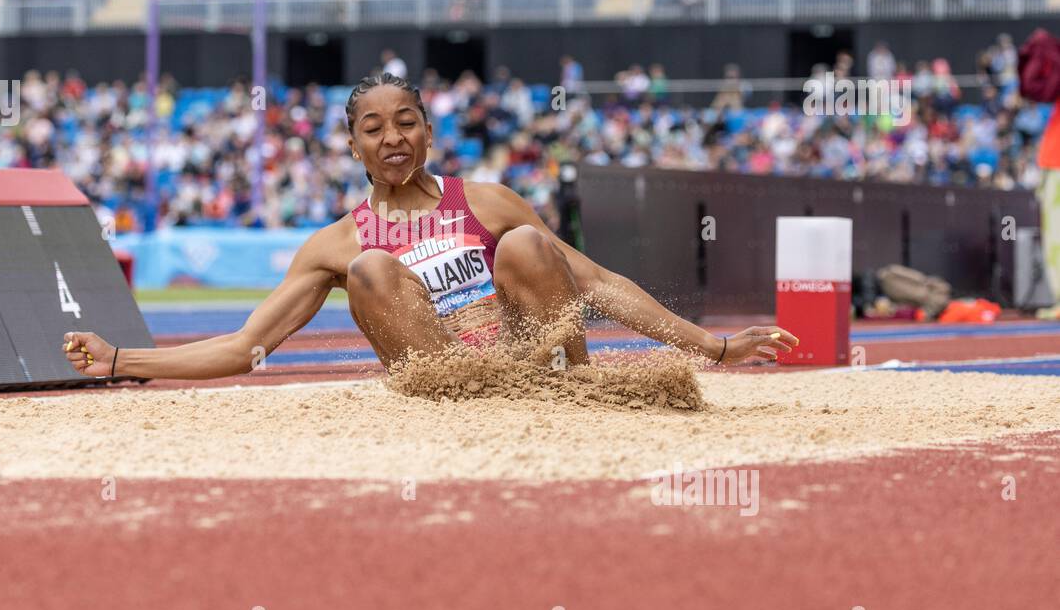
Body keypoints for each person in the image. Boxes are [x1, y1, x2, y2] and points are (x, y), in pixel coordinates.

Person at [63, 73, 798, 380]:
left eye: (406, 122)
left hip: (529, 365)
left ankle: (581, 385)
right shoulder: (335, 243)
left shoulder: (488, 199)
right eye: (374, 129)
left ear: (428, 134)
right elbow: (245, 345)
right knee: (372, 272)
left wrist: (715, 345)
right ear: (353, 147)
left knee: (527, 243)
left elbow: (598, 283)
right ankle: (475, 390)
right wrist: (120, 358)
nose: (392, 139)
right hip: (445, 384)